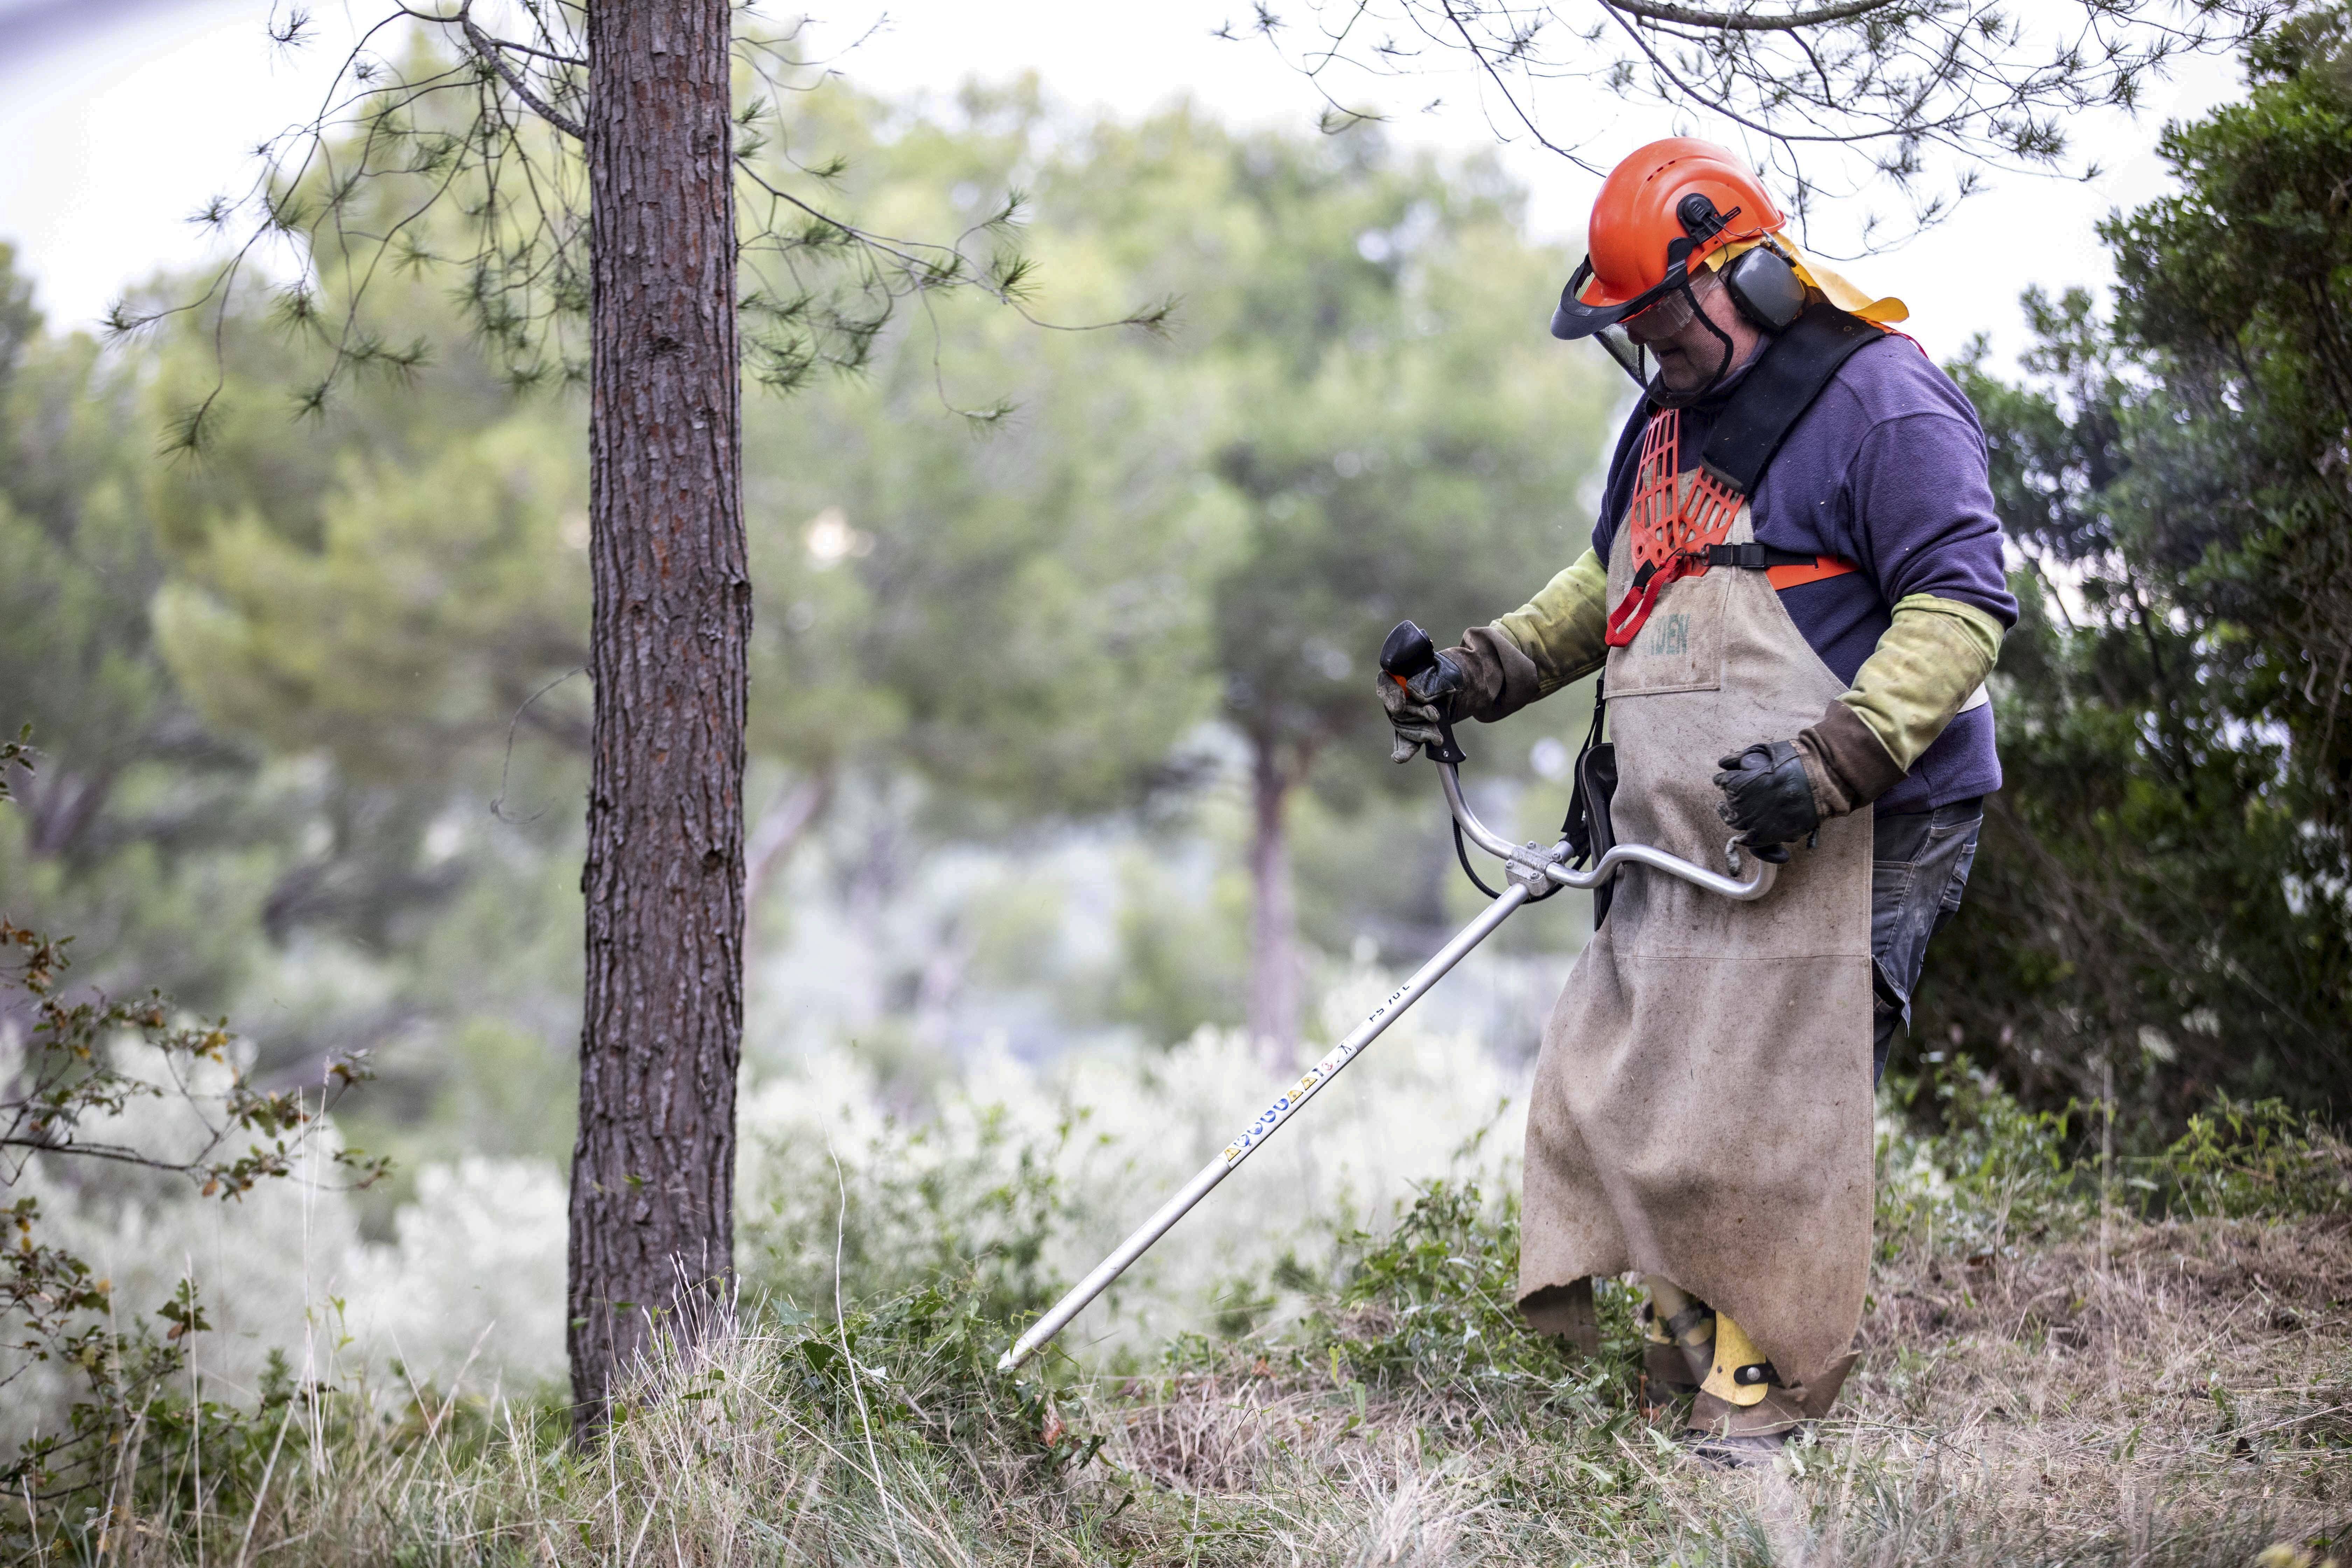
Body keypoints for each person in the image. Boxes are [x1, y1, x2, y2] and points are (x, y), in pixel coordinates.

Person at [1378, 138, 2015, 1465]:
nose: (1648, 349)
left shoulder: (1885, 403)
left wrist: (1839, 761)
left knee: (1780, 1093)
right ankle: (1682, 1367)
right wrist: (1482, 670)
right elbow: (1618, 579)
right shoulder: (1669, 418)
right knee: (1632, 1089)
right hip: (1702, 823)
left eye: (1663, 317)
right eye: (1631, 327)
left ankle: (1757, 1395)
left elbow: (1962, 610)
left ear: (1760, 278)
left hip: (1871, 814)